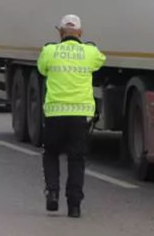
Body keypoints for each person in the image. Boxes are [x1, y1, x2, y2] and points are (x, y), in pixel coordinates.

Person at [37, 14, 106, 218]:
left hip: (55, 113)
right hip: (80, 115)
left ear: (60, 32)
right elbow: (100, 61)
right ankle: (74, 205)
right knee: (76, 159)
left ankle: (53, 193)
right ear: (80, 33)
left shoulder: (50, 51)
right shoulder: (89, 52)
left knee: (51, 153)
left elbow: (42, 69)